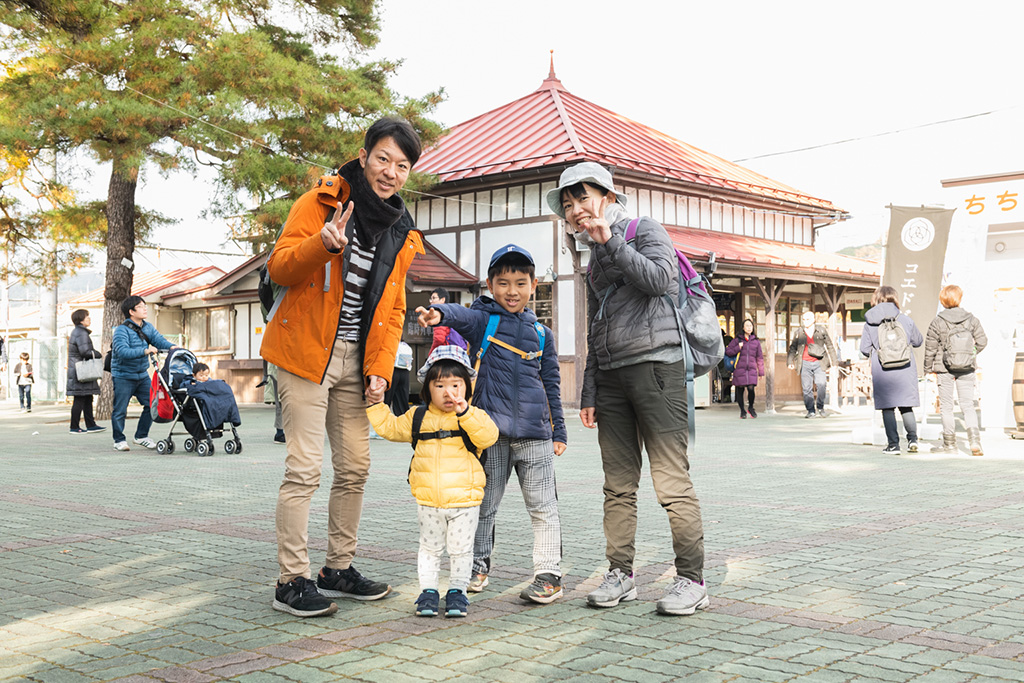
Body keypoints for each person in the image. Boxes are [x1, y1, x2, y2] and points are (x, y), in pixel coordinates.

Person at [261, 117, 426, 618]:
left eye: (402, 165)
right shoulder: (321, 203)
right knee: (305, 469)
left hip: (357, 360)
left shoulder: (400, 229)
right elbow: (280, 266)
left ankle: (338, 568)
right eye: (383, 159)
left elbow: (392, 307)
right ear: (363, 155)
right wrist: (323, 245)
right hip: (304, 352)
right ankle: (291, 579)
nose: (391, 172)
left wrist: (381, 368)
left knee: (355, 466)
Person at [551, 161, 708, 617]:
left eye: (583, 198)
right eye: (568, 204)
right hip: (614, 377)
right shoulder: (592, 255)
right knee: (617, 485)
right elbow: (596, 324)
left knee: (671, 482)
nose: (576, 209)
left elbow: (662, 280)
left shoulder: (643, 229)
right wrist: (589, 390)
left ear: (607, 197)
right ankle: (620, 573)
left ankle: (692, 579)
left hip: (658, 369)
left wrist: (611, 241)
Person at [416, 244, 567, 605]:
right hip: (490, 435)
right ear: (489, 284)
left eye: (519, 283)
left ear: (534, 285)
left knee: (544, 507)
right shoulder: (484, 318)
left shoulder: (543, 334)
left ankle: (548, 574)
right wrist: (438, 313)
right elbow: (458, 314)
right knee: (482, 505)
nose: (511, 291)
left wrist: (558, 430)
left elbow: (552, 385)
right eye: (502, 283)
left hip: (535, 435)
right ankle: (476, 566)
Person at [366, 345, 499, 618]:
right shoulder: (418, 416)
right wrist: (375, 403)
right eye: (440, 385)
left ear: (467, 388)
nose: (448, 392)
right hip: (428, 501)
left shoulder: (473, 416)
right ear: (427, 389)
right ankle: (428, 591)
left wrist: (465, 413)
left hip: (465, 500)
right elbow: (390, 428)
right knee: (429, 549)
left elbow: (488, 437)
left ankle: (457, 592)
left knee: (461, 552)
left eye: (455, 384)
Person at [923, 284, 988, 455]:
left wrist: (927, 369)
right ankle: (975, 443)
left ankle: (950, 446)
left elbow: (930, 348)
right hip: (967, 368)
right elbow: (982, 341)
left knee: (946, 407)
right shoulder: (971, 319)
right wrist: (970, 354)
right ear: (959, 298)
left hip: (944, 368)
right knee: (968, 405)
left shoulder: (938, 321)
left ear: (943, 300)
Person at [860, 285, 924, 454]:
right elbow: (918, 341)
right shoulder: (905, 319)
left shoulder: (869, 322)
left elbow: (865, 349)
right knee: (906, 406)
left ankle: (893, 445)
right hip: (905, 368)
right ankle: (912, 441)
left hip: (882, 369)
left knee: (888, 408)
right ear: (895, 299)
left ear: (876, 299)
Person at [111, 296, 177, 451]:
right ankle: (119, 440)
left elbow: (159, 341)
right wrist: (145, 350)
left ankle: (141, 436)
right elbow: (121, 351)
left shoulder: (147, 327)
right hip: (123, 375)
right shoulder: (121, 330)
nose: (145, 309)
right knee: (120, 409)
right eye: (140, 306)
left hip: (141, 375)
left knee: (152, 404)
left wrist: (173, 347)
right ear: (131, 311)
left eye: (145, 306)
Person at [787, 310, 838, 418]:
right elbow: (792, 348)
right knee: (806, 388)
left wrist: (834, 362)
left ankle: (820, 407)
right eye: (804, 319)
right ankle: (810, 410)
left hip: (819, 362)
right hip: (804, 363)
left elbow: (829, 346)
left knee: (822, 384)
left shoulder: (821, 330)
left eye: (808, 319)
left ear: (813, 319)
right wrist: (789, 361)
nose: (805, 321)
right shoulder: (799, 332)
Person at [67, 309, 105, 433]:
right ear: (81, 319)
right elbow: (85, 352)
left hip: (78, 370)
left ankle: (91, 425)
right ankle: (74, 427)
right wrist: (98, 354)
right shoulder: (81, 333)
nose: (89, 318)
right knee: (80, 399)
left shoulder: (78, 332)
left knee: (87, 397)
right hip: (81, 371)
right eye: (87, 316)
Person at [725, 319, 765, 419]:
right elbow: (728, 352)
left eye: (750, 326)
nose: (749, 328)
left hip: (751, 369)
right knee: (740, 389)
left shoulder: (756, 341)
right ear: (743, 327)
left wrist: (761, 372)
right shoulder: (737, 340)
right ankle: (742, 411)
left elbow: (759, 357)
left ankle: (751, 407)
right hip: (739, 369)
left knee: (751, 388)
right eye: (747, 326)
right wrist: (738, 348)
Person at [383, 340, 413, 416]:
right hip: (405, 372)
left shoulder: (389, 341)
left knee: (385, 402)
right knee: (402, 406)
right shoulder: (406, 346)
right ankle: (403, 425)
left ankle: (384, 423)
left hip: (391, 370)